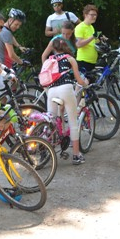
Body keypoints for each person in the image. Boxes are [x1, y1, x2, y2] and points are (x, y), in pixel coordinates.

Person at [45, 37, 90, 165]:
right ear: (65, 46)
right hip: (66, 89)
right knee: (73, 122)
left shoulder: (49, 60)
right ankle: (76, 155)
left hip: (51, 91)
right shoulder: (70, 58)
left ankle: (46, 148)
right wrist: (85, 83)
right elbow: (79, 80)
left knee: (51, 121)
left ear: (53, 48)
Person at [0, 9, 28, 92]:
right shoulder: (6, 33)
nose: (17, 27)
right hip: (0, 68)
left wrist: (19, 46)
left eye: (19, 25)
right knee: (4, 96)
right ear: (10, 20)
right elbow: (11, 55)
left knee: (8, 89)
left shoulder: (1, 29)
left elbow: (10, 37)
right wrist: (21, 62)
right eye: (16, 24)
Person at [74, 4, 103, 74]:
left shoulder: (91, 27)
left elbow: (92, 42)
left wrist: (100, 39)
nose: (94, 17)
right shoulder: (80, 27)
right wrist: (93, 36)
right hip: (83, 61)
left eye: (95, 15)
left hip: (92, 61)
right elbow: (78, 44)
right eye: (92, 15)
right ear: (86, 15)